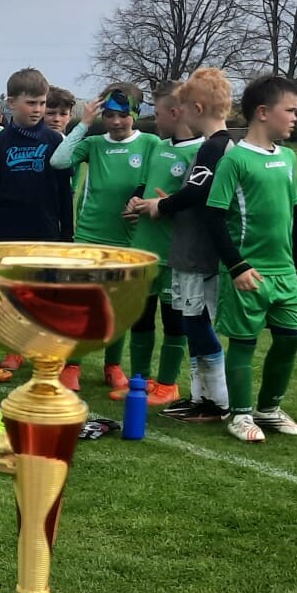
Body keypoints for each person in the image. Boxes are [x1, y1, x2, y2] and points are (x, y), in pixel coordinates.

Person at [132, 67, 234, 424]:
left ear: (197, 108)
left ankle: (217, 401)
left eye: (185, 106)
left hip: (197, 253)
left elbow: (196, 192)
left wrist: (162, 205)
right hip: (192, 250)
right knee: (192, 323)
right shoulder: (215, 146)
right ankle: (200, 396)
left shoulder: (214, 148)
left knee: (198, 324)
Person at [210, 75, 297, 444]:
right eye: (290, 110)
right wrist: (237, 266)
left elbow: (295, 214)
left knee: (290, 338)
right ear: (263, 112)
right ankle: (240, 415)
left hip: (284, 272)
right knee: (244, 342)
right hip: (247, 271)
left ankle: (269, 409)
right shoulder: (234, 160)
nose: (295, 117)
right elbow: (213, 218)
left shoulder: (289, 158)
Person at [51, 84, 160, 390]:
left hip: (128, 239)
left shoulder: (151, 143)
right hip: (89, 235)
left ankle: (113, 365)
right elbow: (58, 161)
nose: (115, 122)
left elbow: (158, 181)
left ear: (135, 114)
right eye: (109, 115)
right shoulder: (94, 144)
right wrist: (84, 123)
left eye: (122, 115)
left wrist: (142, 202)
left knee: (117, 307)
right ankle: (72, 365)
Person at [0, 68, 71, 379]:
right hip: (5, 234)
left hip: (45, 235)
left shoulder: (54, 141)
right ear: (11, 102)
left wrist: (67, 237)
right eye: (31, 103)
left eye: (42, 103)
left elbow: (64, 194)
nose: (38, 110)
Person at [115, 81, 194, 409]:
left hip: (173, 254)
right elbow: (147, 184)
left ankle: (167, 384)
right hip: (142, 250)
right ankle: (140, 380)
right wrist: (136, 201)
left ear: (174, 113)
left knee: (173, 320)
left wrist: (164, 206)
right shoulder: (159, 148)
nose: (154, 119)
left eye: (157, 113)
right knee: (140, 317)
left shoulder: (201, 152)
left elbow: (197, 203)